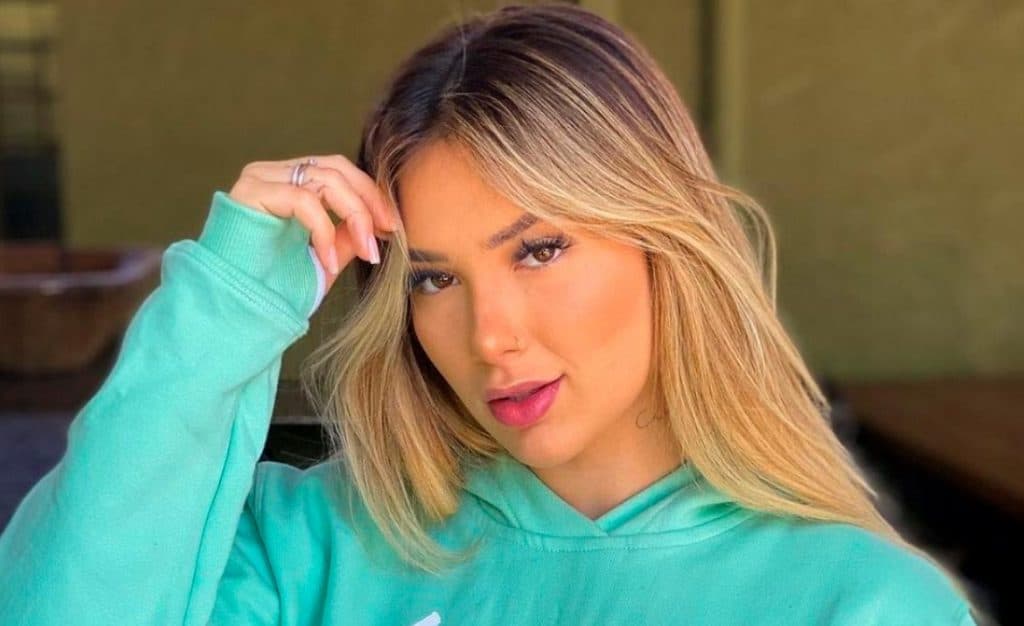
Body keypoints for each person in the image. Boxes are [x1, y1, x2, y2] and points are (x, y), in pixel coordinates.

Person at [0, 3, 979, 624]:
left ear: (664, 244)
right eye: (433, 279)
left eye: (539, 249)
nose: (490, 336)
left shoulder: (857, 602)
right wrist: (223, 302)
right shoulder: (308, 548)